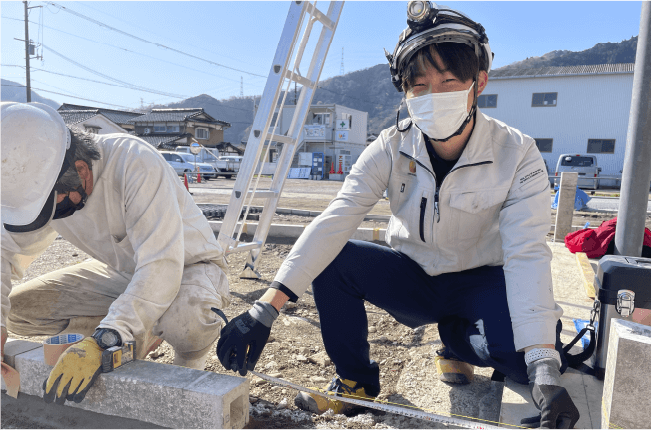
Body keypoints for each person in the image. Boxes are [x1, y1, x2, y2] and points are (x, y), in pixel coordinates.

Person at [216, 2, 579, 428]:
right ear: (405, 92)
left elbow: (526, 253)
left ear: (478, 82)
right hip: (413, 275)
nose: (433, 96)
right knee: (336, 258)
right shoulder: (390, 147)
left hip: (482, 279)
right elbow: (336, 219)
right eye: (419, 86)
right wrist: (265, 309)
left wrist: (543, 368)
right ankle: (355, 382)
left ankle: (456, 342)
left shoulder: (517, 153)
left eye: (448, 81)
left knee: (528, 359)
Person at [0, 102, 229, 405]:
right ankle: (131, 333)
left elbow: (160, 263)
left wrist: (106, 338)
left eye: (58, 208)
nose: (54, 216)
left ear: (81, 170)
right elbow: (5, 253)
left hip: (190, 268)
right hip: (124, 272)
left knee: (185, 318)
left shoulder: (134, 163)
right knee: (20, 309)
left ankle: (174, 358)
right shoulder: (44, 185)